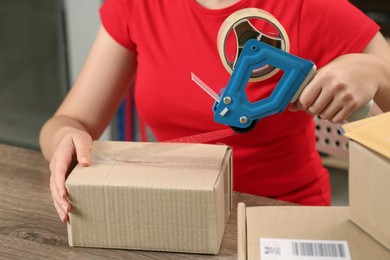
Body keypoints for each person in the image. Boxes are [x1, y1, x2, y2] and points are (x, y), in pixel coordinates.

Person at [40, 0, 390, 222]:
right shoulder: (137, 5)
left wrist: (378, 73)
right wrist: (65, 139)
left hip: (283, 215)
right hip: (174, 210)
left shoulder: (311, 6)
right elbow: (70, 122)